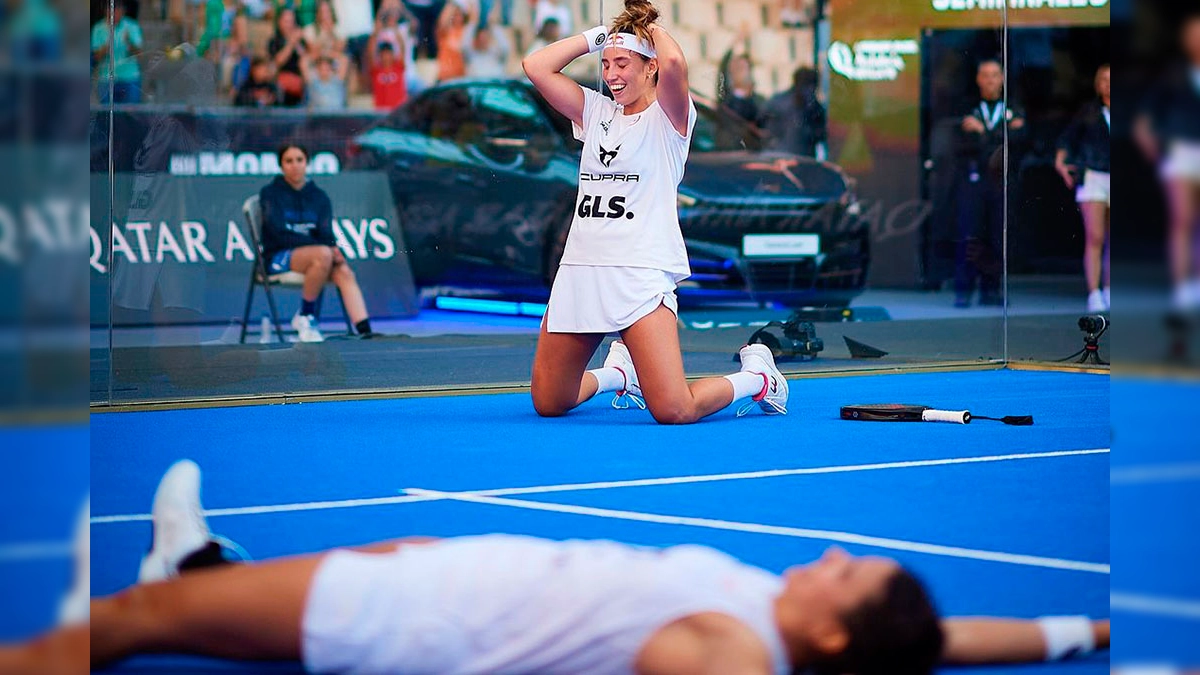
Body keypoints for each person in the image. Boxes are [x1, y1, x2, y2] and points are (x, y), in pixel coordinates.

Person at [25, 459, 1108, 674]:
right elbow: (949, 643)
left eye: (846, 573)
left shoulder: (729, 647)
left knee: (129, 624)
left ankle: (178, 579)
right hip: (455, 570)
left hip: (415, 620)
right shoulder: (833, 637)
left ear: (830, 632)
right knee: (203, 599)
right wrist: (1094, 634)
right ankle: (198, 561)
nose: (829, 553)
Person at [523, 0, 793, 424]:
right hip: (582, 270)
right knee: (549, 401)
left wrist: (644, 22)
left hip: (639, 274)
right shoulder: (595, 112)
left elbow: (673, 61)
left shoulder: (670, 118)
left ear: (649, 68)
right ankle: (617, 373)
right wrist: (600, 37)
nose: (611, 75)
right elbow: (536, 66)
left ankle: (757, 378)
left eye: (623, 63)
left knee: (673, 409)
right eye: (606, 64)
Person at [259, 144, 375, 341]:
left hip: (318, 256)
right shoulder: (270, 194)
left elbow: (326, 233)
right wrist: (322, 248)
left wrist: (335, 249)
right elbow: (277, 233)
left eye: (299, 160)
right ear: (281, 166)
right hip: (278, 255)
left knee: (343, 270)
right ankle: (305, 315)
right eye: (289, 161)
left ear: (307, 163)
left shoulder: (319, 197)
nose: (295, 165)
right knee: (322, 254)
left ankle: (365, 331)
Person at [1136, 12, 1200, 310]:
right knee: (1182, 220)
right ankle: (1181, 287)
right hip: (1181, 153)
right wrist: (1157, 154)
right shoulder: (1173, 74)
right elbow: (1143, 122)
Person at [952, 58, 1025, 308]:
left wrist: (982, 133)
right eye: (985, 75)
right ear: (978, 79)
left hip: (1000, 182)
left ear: (1002, 79)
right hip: (974, 182)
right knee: (971, 235)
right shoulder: (967, 107)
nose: (990, 80)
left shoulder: (1013, 107)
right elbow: (962, 144)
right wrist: (998, 134)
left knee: (997, 235)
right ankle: (963, 290)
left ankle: (991, 290)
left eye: (995, 75)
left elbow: (1017, 141)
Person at [1055, 64, 1111, 313]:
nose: (1109, 84)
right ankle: (1094, 291)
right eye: (1104, 80)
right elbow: (1066, 140)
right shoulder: (1088, 112)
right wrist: (1061, 163)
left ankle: (1110, 288)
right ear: (1098, 85)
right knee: (1095, 236)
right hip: (1093, 175)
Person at [760, 66, 827, 158]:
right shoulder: (813, 106)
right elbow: (820, 135)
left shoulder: (777, 101)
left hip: (776, 156)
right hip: (798, 159)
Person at [91, 0, 143, 103]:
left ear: (123, 11)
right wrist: (107, 45)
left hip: (129, 79)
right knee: (106, 116)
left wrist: (129, 42)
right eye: (110, 10)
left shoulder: (132, 26)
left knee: (130, 117)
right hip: (106, 79)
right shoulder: (98, 28)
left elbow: (139, 55)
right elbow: (96, 57)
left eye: (116, 10)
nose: (113, 14)